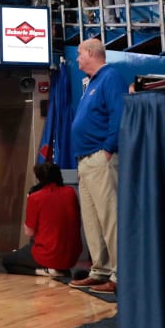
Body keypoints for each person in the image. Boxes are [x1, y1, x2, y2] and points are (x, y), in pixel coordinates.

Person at [69, 39, 128, 294]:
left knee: (110, 218)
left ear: (92, 53)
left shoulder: (110, 77)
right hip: (85, 160)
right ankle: (100, 270)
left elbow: (119, 113)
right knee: (92, 221)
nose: (77, 59)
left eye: (80, 54)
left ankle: (120, 274)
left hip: (100, 158)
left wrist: (108, 148)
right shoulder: (92, 83)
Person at [2, 163, 82, 276]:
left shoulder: (35, 197)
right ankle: (57, 269)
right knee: (26, 250)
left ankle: (45, 271)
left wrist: (29, 201)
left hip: (48, 253)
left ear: (39, 178)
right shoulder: (71, 192)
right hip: (72, 255)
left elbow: (29, 232)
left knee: (8, 261)